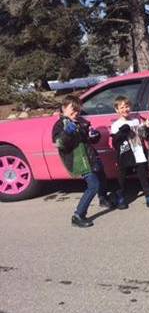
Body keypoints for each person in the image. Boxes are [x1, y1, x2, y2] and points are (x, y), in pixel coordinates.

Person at [52, 95, 114, 228]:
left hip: (91, 155)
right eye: (72, 111)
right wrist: (67, 133)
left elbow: (90, 139)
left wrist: (94, 135)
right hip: (79, 159)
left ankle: (103, 198)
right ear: (63, 109)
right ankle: (78, 215)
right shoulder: (59, 125)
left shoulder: (81, 121)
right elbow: (59, 144)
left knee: (101, 175)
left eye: (78, 111)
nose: (75, 114)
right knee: (93, 185)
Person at [110, 96, 149, 209]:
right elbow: (115, 143)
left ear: (131, 107)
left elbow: (143, 135)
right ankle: (120, 197)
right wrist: (121, 133)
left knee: (143, 177)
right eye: (122, 107)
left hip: (138, 153)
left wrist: (147, 127)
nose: (125, 109)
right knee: (122, 179)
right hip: (124, 155)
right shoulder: (115, 125)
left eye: (127, 106)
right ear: (117, 110)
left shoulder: (136, 120)